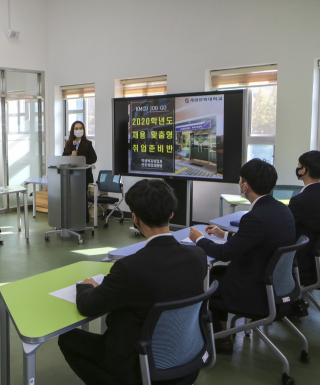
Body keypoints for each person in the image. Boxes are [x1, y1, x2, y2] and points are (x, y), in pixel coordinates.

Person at [58, 179, 207, 385]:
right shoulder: (198, 256)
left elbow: (87, 306)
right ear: (171, 214)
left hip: (137, 366)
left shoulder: (130, 268)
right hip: (184, 358)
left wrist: (86, 286)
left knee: (68, 339)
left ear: (135, 219)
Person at [190, 158, 295, 353]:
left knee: (207, 284)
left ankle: (220, 338)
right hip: (278, 284)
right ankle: (223, 332)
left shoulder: (254, 217)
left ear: (245, 186)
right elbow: (257, 238)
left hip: (257, 290)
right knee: (219, 272)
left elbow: (223, 253)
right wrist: (225, 234)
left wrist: (198, 239)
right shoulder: (281, 209)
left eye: (240, 181)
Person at [289, 151, 320, 284]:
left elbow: (286, 227)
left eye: (298, 165)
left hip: (306, 264)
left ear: (303, 170)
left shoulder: (300, 201)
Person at [62, 121, 97, 222]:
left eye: (80, 128)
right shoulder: (69, 143)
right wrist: (70, 156)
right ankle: (72, 218)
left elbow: (93, 158)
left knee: (81, 198)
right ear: (73, 130)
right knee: (71, 198)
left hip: (83, 175)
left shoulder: (88, 143)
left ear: (83, 130)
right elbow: (63, 157)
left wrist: (80, 159)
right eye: (76, 128)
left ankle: (83, 220)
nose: (78, 130)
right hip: (71, 175)